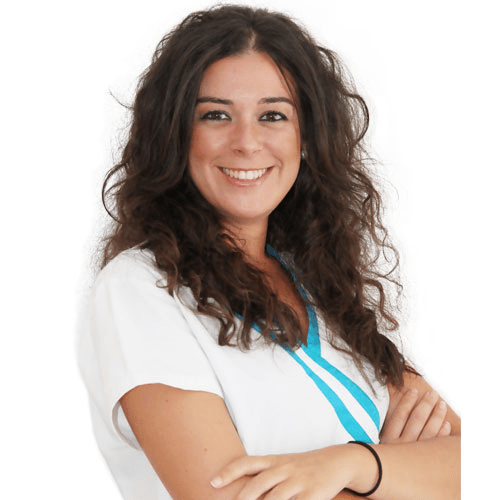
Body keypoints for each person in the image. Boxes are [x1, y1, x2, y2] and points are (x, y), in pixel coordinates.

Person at [78, 5, 460, 499]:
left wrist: (352, 463)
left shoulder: (323, 289)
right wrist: (405, 475)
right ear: (174, 134)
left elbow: (473, 463)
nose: (247, 142)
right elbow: (226, 496)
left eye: (273, 115)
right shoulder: (140, 289)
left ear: (306, 137)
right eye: (215, 115)